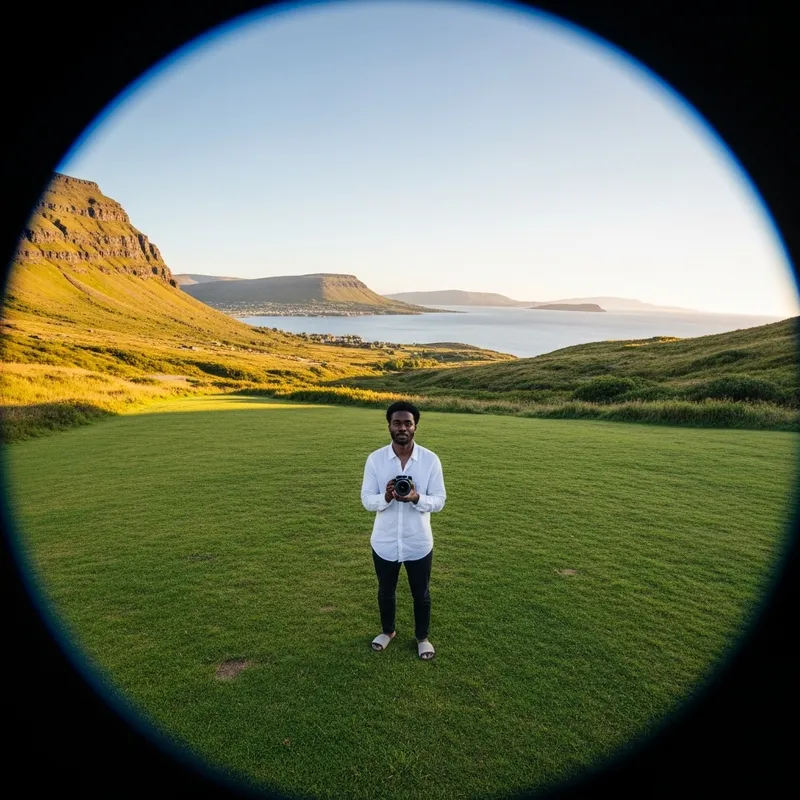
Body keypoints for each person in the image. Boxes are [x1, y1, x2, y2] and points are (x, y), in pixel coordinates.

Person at [361, 400, 446, 660]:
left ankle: (422, 637)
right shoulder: (375, 460)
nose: (402, 428)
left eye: (407, 423)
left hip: (418, 542)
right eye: (397, 422)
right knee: (385, 591)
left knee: (421, 594)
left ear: (415, 426)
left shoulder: (430, 460)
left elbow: (440, 500)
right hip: (384, 542)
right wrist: (385, 498)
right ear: (389, 426)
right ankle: (388, 631)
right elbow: (366, 499)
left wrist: (417, 497)